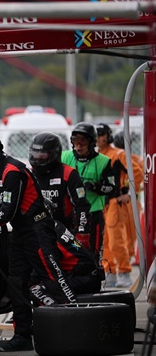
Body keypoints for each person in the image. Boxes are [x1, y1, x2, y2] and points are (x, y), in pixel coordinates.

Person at [0, 132, 76, 352]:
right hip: (20, 233)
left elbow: (7, 212)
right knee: (16, 283)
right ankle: (22, 335)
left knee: (53, 278)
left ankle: (75, 327)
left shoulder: (12, 171)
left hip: (38, 231)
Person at [60, 122, 115, 270]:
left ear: (91, 143)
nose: (78, 145)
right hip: (70, 215)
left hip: (92, 214)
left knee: (92, 253)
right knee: (67, 251)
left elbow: (111, 188)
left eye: (83, 141)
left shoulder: (103, 161)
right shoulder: (64, 156)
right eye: (75, 141)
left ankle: (94, 276)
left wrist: (95, 186)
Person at [96, 125, 143, 288]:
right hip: (102, 203)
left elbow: (137, 174)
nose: (98, 138)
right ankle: (110, 273)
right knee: (104, 242)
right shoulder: (97, 157)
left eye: (100, 134)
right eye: (96, 135)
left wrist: (129, 194)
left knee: (116, 241)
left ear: (107, 136)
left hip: (115, 203)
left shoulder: (118, 155)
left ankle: (124, 272)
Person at [28, 132, 91, 249]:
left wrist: (82, 232)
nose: (38, 158)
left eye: (42, 155)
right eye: (35, 154)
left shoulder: (69, 174)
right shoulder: (29, 174)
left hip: (64, 232)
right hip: (36, 232)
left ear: (54, 153)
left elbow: (81, 205)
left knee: (81, 256)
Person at [113, 131, 145, 267]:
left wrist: (132, 188)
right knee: (119, 231)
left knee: (131, 231)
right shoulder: (116, 157)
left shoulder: (137, 160)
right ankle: (122, 257)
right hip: (118, 200)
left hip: (131, 199)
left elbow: (143, 181)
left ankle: (129, 256)